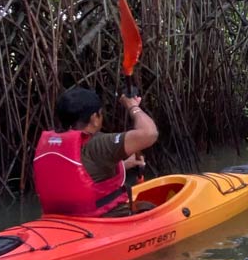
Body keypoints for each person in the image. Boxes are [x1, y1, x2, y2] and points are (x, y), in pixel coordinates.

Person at [32, 87, 159, 217]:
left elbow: (78, 174)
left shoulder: (52, 144)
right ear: (94, 118)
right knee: (148, 208)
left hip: (61, 219)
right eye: (100, 113)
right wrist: (133, 106)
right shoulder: (98, 143)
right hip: (98, 220)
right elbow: (149, 133)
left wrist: (124, 164)